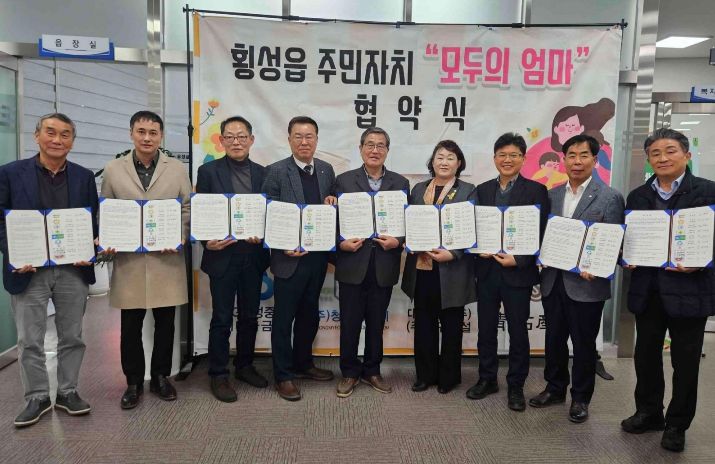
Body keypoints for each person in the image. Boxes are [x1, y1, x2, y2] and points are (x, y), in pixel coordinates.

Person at [620, 128, 715, 452]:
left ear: (686, 155)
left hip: (690, 291)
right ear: (648, 159)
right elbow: (626, 238)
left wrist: (702, 261)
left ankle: (677, 424)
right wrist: (625, 256)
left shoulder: (708, 192)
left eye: (670, 150)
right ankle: (649, 412)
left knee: (685, 363)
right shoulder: (637, 196)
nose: (663, 158)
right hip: (648, 291)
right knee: (645, 357)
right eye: (655, 153)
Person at [0, 113, 98, 427]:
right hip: (28, 270)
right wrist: (14, 253)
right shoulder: (10, 173)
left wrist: (91, 248)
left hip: (72, 269)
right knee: (30, 338)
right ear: (37, 136)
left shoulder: (83, 177)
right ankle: (37, 396)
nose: (57, 140)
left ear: (72, 141)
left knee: (72, 335)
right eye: (51, 132)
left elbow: (92, 220)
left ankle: (68, 391)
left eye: (65, 134)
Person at [529, 134, 624, 423]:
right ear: (564, 160)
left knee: (583, 345)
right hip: (553, 280)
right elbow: (541, 235)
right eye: (571, 155)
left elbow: (614, 242)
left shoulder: (610, 197)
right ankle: (555, 388)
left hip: (587, 284)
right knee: (554, 339)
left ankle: (581, 398)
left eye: (584, 155)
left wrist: (598, 265)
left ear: (595, 160)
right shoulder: (551, 195)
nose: (577, 161)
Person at [100, 111, 192, 409]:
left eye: (153, 132)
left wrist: (178, 236)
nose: (147, 137)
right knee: (130, 326)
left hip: (167, 260)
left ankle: (161, 377)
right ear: (131, 134)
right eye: (141, 131)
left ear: (161, 136)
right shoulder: (114, 169)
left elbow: (187, 208)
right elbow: (107, 211)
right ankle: (133, 382)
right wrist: (109, 237)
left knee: (166, 324)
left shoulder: (176, 169)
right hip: (130, 262)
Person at [467, 132, 549, 411]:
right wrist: (477, 247)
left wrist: (520, 259)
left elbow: (541, 232)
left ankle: (516, 385)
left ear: (523, 159)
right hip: (487, 271)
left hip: (518, 273)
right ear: (494, 158)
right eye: (502, 155)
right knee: (486, 329)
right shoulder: (481, 190)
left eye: (514, 155)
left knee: (518, 331)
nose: (507, 159)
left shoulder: (536, 191)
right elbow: (473, 227)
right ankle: (487, 378)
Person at [196, 116, 270, 402]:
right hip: (222, 255)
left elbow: (270, 213)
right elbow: (201, 212)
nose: (236, 141)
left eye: (242, 136)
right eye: (230, 136)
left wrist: (263, 235)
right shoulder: (208, 171)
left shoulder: (264, 173)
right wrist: (207, 241)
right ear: (221, 140)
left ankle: (244, 366)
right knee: (222, 317)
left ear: (251, 140)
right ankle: (218, 373)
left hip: (253, 255)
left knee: (250, 316)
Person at [262, 116, 336, 401]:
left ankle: (303, 364)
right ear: (289, 139)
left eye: (309, 136)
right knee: (284, 319)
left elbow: (330, 203)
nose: (304, 142)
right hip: (288, 258)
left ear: (316, 139)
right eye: (298, 136)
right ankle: (283, 375)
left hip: (317, 258)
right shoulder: (276, 171)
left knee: (309, 315)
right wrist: (283, 246)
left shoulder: (326, 170)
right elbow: (268, 214)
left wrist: (332, 201)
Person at [334, 127, 409, 398]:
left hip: (384, 264)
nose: (374, 150)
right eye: (369, 144)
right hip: (352, 263)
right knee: (350, 323)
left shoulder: (400, 183)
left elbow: (409, 222)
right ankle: (349, 372)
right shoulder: (343, 181)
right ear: (361, 149)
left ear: (387, 150)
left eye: (380, 145)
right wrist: (340, 243)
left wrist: (398, 241)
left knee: (376, 323)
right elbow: (332, 220)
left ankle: (372, 370)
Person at [401, 140, 476, 394]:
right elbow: (408, 222)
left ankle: (448, 377)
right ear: (432, 162)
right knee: (424, 324)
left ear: (459, 163)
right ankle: (425, 375)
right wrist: (410, 240)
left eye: (450, 158)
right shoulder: (418, 189)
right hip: (422, 269)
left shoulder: (468, 191)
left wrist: (452, 254)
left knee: (452, 326)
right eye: (440, 157)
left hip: (451, 269)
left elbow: (472, 230)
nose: (444, 162)